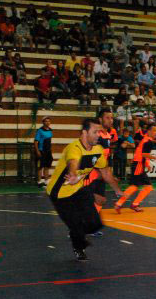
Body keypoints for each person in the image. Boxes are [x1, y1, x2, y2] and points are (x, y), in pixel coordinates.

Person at [46, 118, 123, 261]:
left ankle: (77, 230)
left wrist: (117, 190)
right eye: (95, 132)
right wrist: (73, 173)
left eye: (99, 131)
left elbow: (105, 172)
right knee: (76, 227)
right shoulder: (74, 148)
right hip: (60, 194)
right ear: (84, 133)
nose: (98, 135)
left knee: (96, 224)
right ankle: (78, 246)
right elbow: (73, 162)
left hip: (79, 189)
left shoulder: (98, 150)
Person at [114, 124, 156, 213]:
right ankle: (120, 204)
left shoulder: (147, 140)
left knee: (147, 187)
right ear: (149, 131)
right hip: (138, 165)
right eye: (154, 130)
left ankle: (134, 204)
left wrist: (147, 164)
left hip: (139, 164)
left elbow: (143, 154)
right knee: (134, 186)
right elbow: (144, 154)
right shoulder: (148, 142)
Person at [84, 109, 119, 217]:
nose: (110, 120)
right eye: (107, 118)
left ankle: (90, 223)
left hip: (101, 172)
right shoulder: (96, 134)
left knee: (101, 200)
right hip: (92, 172)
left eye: (112, 118)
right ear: (100, 119)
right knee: (88, 198)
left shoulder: (108, 135)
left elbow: (105, 156)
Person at [34, 117, 54, 187]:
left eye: (49, 121)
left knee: (47, 166)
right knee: (40, 167)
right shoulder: (40, 131)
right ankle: (39, 181)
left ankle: (46, 181)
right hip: (41, 151)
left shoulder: (50, 131)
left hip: (48, 151)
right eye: (46, 121)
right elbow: (36, 142)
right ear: (43, 122)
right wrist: (37, 151)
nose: (47, 122)